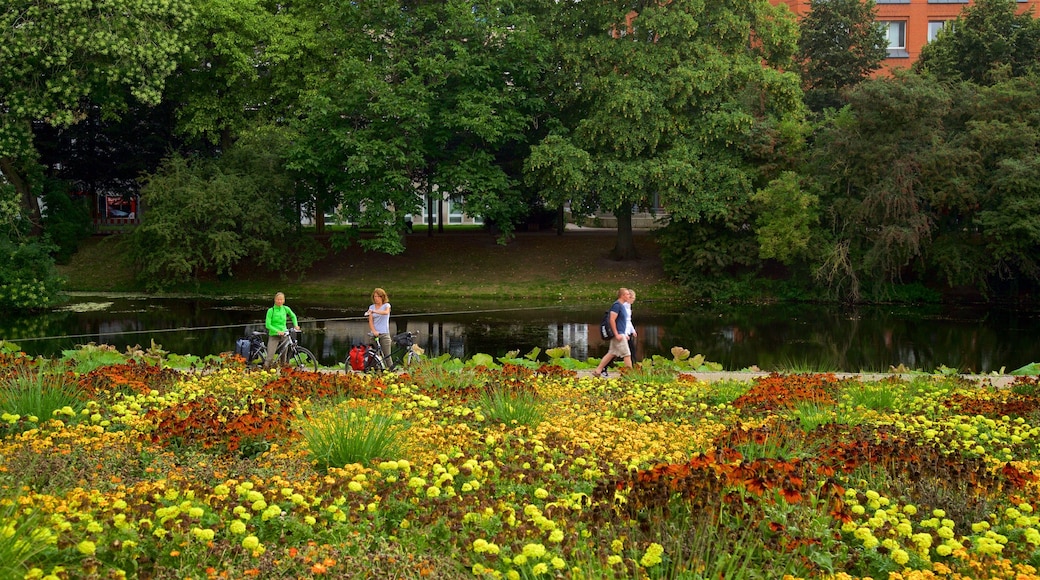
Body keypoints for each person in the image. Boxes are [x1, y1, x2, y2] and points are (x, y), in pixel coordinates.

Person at [592, 287, 632, 377]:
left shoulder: (622, 306)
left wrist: (624, 334)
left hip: (621, 333)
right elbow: (612, 319)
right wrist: (616, 334)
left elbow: (621, 322)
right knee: (627, 354)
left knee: (611, 353)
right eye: (627, 294)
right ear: (622, 295)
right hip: (618, 334)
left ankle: (598, 371)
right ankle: (630, 374)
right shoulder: (616, 305)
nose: (629, 296)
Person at [265, 292, 300, 368]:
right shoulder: (271, 310)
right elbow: (268, 325)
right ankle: (265, 370)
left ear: (284, 300)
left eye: (281, 299)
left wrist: (296, 325)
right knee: (270, 356)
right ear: (275, 300)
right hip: (274, 335)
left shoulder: (285, 309)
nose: (279, 301)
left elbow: (293, 316)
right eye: (278, 299)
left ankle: (283, 373)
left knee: (284, 356)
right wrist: (277, 331)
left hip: (284, 334)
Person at [366, 288, 392, 367]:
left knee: (387, 354)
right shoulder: (371, 307)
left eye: (378, 297)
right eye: (375, 297)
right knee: (374, 355)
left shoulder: (386, 305)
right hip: (374, 334)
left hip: (384, 333)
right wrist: (374, 331)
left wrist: (374, 312)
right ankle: (374, 370)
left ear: (382, 297)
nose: (376, 298)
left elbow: (386, 312)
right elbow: (370, 321)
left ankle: (390, 370)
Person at [623, 289, 637, 363]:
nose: (633, 300)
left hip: (628, 332)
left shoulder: (628, 306)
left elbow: (628, 320)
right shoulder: (624, 307)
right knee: (630, 349)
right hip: (623, 332)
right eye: (633, 298)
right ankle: (633, 364)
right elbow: (623, 321)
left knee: (631, 348)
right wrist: (625, 333)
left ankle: (633, 363)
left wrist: (633, 331)